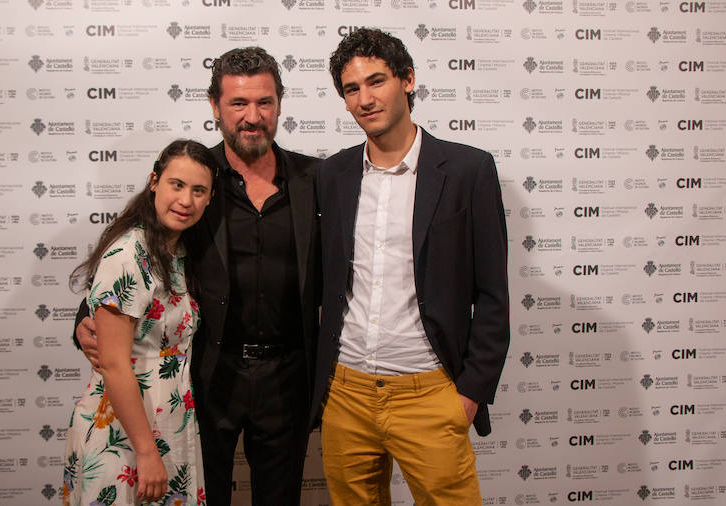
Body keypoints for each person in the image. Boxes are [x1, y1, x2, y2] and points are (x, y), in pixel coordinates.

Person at [74, 47, 321, 506]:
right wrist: (83, 321)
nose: (253, 116)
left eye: (264, 102)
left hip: (289, 378)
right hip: (205, 378)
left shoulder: (315, 181)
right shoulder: (194, 178)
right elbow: (139, 252)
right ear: (215, 107)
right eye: (238, 103)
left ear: (280, 105)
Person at [309, 28, 510, 505]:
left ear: (407, 80)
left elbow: (493, 295)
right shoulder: (331, 175)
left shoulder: (467, 170)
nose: (365, 98)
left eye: (376, 81)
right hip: (347, 392)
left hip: (430, 394)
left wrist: (468, 394)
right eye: (351, 89)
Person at [62, 140, 218, 506]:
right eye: (176, 185)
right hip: (126, 435)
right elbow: (114, 364)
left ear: (210, 199)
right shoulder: (128, 255)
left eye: (199, 191)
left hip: (169, 424)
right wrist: (147, 452)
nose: (186, 200)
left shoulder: (177, 252)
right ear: (154, 182)